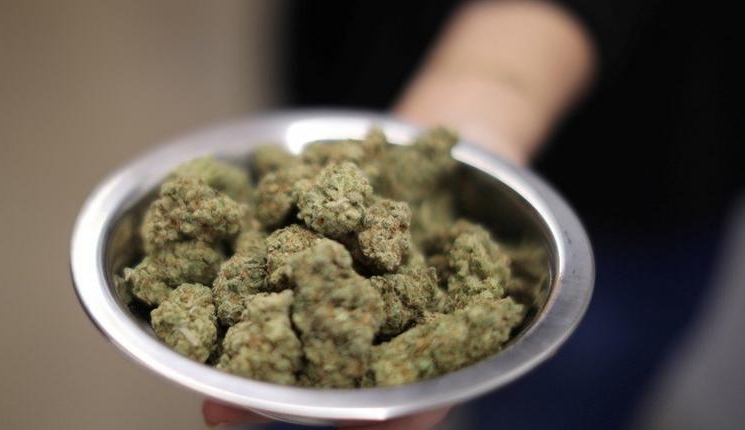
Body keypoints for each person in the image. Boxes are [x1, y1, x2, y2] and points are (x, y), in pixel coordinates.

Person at [205, 0, 741, 428]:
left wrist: (493, 87)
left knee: (566, 399)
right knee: (297, 407)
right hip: (366, 50)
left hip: (635, 181)